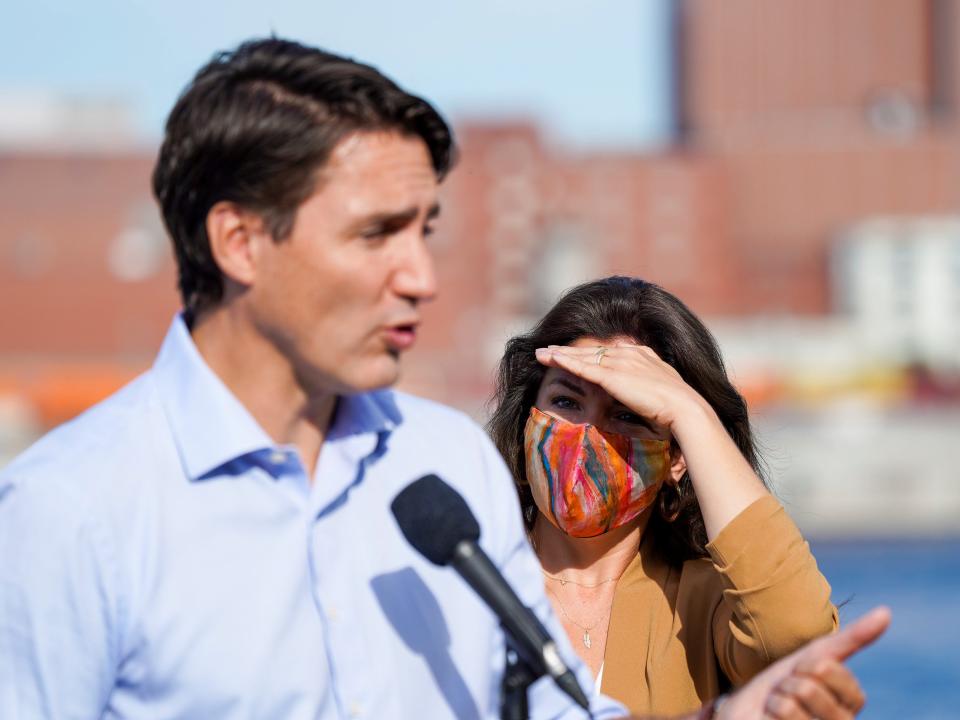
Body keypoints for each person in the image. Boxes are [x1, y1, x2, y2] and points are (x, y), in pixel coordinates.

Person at [0, 37, 881, 720]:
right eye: (377, 233)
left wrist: (729, 711)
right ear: (239, 242)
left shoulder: (446, 469)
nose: (421, 273)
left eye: (427, 230)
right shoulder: (71, 510)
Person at [488, 276, 839, 717]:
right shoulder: (473, 578)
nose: (589, 436)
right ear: (527, 419)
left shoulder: (709, 603)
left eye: (627, 414)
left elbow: (796, 634)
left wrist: (690, 413)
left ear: (677, 456)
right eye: (567, 403)